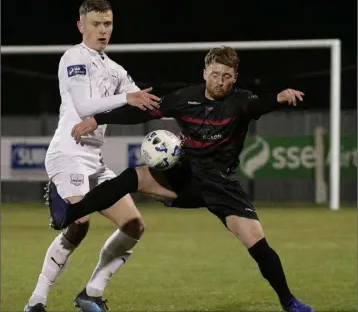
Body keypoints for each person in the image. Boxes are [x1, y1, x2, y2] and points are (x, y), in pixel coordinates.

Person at [47, 46, 313, 312]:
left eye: (227, 76)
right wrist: (97, 119)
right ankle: (70, 214)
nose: (220, 81)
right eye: (216, 74)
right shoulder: (185, 98)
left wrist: (277, 98)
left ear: (235, 77)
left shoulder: (240, 101)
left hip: (221, 185)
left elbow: (259, 105)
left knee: (257, 242)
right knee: (133, 177)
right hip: (184, 176)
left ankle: (290, 302)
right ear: (205, 72)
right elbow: (144, 111)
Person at [24, 0, 160, 312]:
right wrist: (126, 96)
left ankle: (91, 292)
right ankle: (37, 300)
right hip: (67, 152)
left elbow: (144, 104)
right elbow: (85, 106)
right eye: (96, 24)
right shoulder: (73, 57)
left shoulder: (115, 69)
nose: (102, 30)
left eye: (107, 24)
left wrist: (191, 110)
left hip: (94, 162)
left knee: (133, 225)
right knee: (80, 221)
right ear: (81, 25)